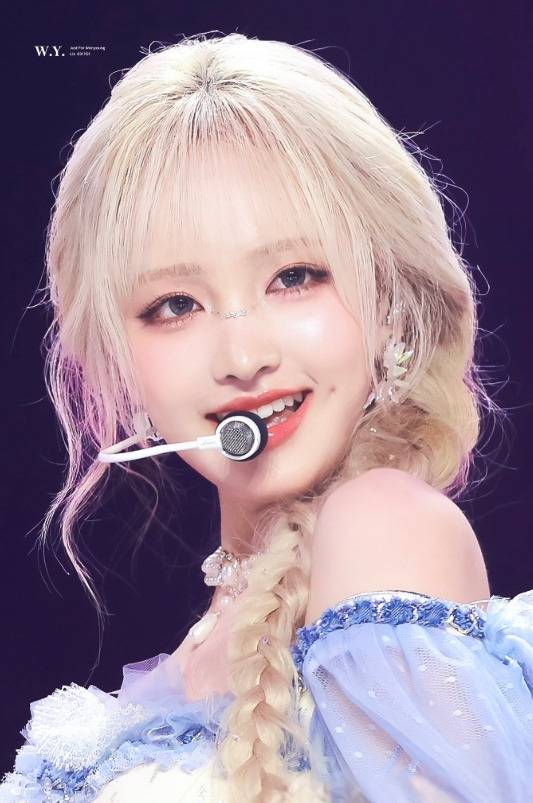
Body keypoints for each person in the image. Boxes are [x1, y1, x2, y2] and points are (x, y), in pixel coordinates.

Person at [1, 31, 531, 803]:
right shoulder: (208, 635)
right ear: (116, 357)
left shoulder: (381, 527)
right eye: (173, 305)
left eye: (294, 276)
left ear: (391, 304)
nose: (243, 355)